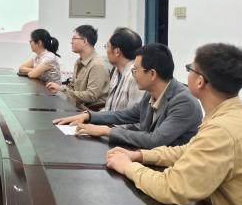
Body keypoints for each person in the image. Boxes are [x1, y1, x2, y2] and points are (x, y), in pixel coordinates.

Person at [106, 43, 242, 205]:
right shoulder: (239, 113)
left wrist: (128, 167)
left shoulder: (221, 131)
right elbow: (188, 150)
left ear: (200, 81)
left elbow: (172, 188)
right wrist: (140, 155)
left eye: (190, 69)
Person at [53, 43, 203, 149]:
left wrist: (106, 131)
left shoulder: (183, 102)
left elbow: (156, 140)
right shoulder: (152, 92)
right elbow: (126, 115)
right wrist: (88, 116)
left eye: (135, 70)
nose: (133, 75)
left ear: (152, 74)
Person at [46, 25, 109, 109]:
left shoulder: (97, 65)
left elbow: (91, 96)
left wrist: (61, 90)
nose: (71, 42)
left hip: (91, 111)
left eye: (74, 38)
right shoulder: (78, 62)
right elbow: (73, 86)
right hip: (78, 106)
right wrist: (59, 88)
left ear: (84, 41)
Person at [103, 27, 145, 111]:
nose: (106, 50)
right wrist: (91, 115)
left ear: (117, 52)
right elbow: (109, 108)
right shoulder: (117, 71)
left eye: (107, 46)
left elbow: (133, 115)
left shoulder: (135, 76)